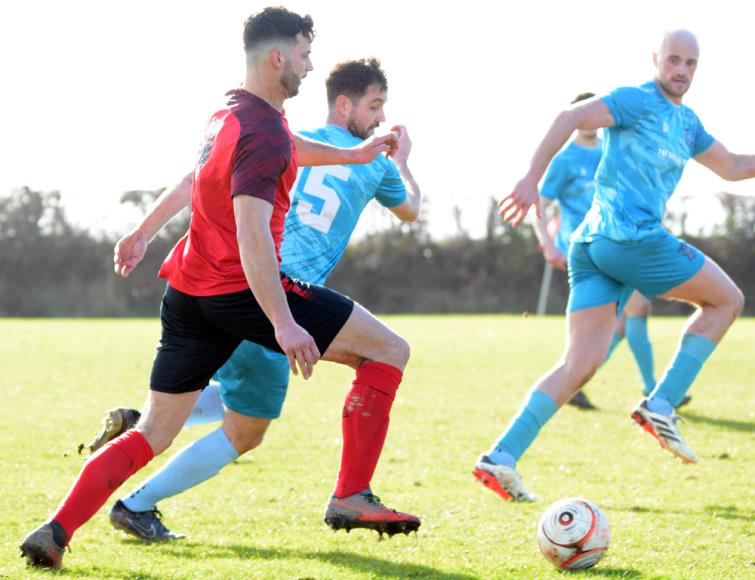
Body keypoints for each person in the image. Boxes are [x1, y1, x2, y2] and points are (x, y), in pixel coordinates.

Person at [20, 9, 419, 570]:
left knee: (154, 432)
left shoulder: (229, 114)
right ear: (278, 58)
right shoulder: (264, 134)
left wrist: (140, 232)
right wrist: (283, 323)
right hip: (246, 290)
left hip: (187, 292)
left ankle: (55, 529)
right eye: (304, 55)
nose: (309, 67)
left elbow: (266, 154)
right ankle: (351, 495)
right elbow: (254, 230)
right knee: (389, 352)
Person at [476, 29, 748, 502]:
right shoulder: (635, 101)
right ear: (656, 60)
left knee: (580, 364)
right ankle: (661, 403)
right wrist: (531, 177)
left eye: (690, 64)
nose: (681, 70)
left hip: (593, 248)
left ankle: (501, 457)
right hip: (630, 239)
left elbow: (730, 165)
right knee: (728, 300)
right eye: (673, 60)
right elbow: (570, 116)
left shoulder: (689, 126)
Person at [534, 92, 670, 411]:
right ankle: (656, 393)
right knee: (634, 311)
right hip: (585, 251)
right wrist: (547, 244)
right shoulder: (566, 160)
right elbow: (541, 203)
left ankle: (574, 383)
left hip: (618, 240)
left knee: (619, 325)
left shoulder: (612, 149)